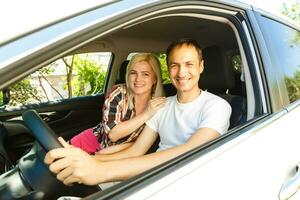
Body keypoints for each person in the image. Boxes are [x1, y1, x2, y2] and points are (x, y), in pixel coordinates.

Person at [44, 38, 232, 186]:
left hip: (183, 176)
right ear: (168, 69)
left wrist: (100, 170)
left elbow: (187, 152)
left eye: (189, 64)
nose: (181, 72)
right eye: (175, 65)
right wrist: (91, 160)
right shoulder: (162, 105)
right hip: (152, 173)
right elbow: (136, 150)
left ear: (201, 67)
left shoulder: (217, 106)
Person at [69, 53, 166, 154]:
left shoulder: (160, 105)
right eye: (133, 73)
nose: (138, 79)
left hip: (117, 154)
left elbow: (141, 146)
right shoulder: (119, 93)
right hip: (91, 142)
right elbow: (113, 135)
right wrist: (146, 114)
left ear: (154, 79)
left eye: (145, 74)